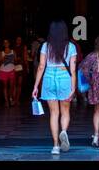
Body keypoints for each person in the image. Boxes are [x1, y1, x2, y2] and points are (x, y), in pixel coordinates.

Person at [33, 19, 77, 154]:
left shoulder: (46, 46)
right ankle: (63, 131)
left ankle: (56, 146)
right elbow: (73, 70)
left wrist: (35, 86)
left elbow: (41, 66)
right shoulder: (71, 46)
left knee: (53, 113)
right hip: (64, 77)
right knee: (65, 111)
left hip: (49, 77)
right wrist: (73, 87)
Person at [0, 38, 16, 107]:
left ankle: (10, 98)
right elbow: (0, 61)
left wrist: (14, 59)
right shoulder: (1, 52)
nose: (6, 44)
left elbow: (15, 60)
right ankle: (6, 101)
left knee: (11, 86)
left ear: (9, 43)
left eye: (7, 42)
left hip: (11, 69)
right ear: (3, 44)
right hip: (3, 70)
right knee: (5, 86)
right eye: (4, 43)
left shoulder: (13, 51)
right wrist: (4, 58)